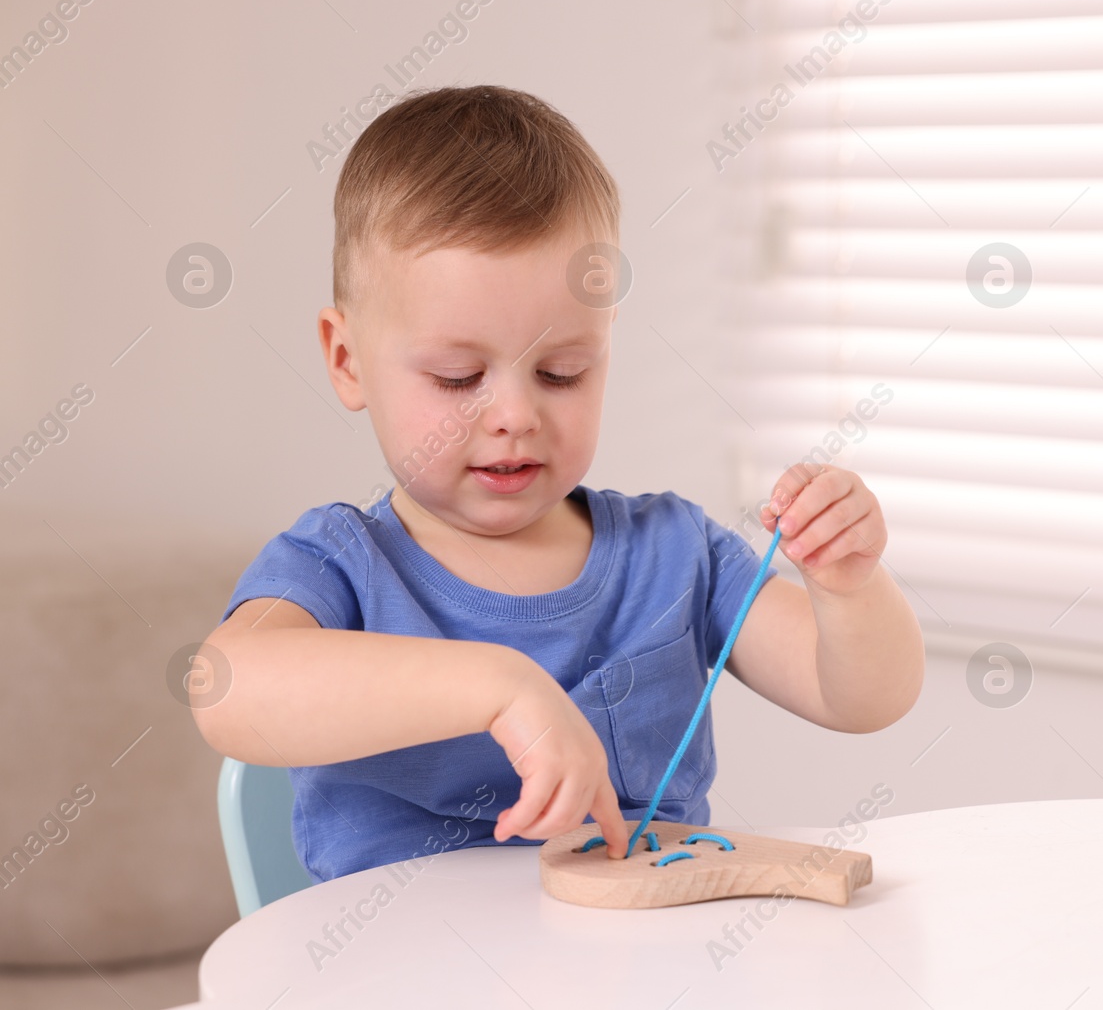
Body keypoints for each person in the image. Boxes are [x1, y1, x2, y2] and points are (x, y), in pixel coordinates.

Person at [193, 85, 924, 883]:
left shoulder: (675, 555)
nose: (514, 413)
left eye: (560, 371)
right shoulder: (342, 564)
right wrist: (499, 686)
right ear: (347, 361)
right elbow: (226, 686)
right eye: (458, 374)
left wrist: (850, 587)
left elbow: (862, 697)